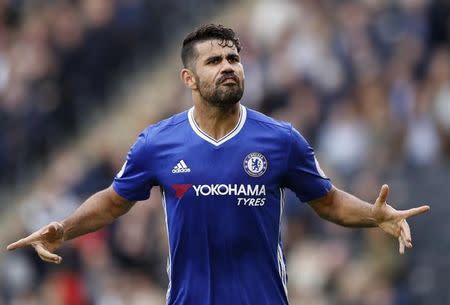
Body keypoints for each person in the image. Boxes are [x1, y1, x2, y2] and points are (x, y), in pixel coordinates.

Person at [7, 24, 430, 305]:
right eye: (214, 61)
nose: (228, 67)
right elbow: (114, 202)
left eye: (233, 59)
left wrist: (375, 217)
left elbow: (329, 201)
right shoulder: (158, 143)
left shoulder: (279, 139)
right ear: (188, 79)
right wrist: (64, 229)